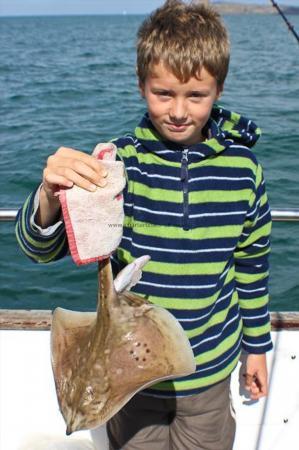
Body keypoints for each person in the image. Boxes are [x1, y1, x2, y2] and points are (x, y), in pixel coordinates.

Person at [16, 1, 273, 449]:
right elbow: (41, 249)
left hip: (209, 369)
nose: (178, 111)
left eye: (196, 96)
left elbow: (250, 265)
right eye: (163, 93)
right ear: (141, 86)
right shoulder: (118, 165)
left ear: (219, 88)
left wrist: (257, 346)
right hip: (130, 375)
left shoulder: (244, 171)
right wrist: (48, 197)